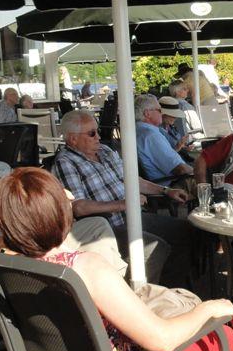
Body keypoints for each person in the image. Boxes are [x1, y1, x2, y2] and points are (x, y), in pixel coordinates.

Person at [0, 167, 233, 351]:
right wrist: (210, 307)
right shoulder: (86, 268)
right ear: (61, 213)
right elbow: (162, 341)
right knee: (216, 336)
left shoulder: (3, 267)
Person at [0, 116, 126, 276]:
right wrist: (6, 243)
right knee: (91, 255)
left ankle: (113, 291)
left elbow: (30, 192)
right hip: (6, 254)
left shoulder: (1, 169)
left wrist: (55, 195)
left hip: (35, 236)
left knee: (97, 225)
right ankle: (110, 300)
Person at [52, 110, 192, 287]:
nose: (98, 137)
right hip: (107, 229)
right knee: (155, 248)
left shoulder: (105, 151)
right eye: (92, 133)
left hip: (133, 216)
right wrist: (122, 205)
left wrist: (165, 190)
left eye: (98, 131)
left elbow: (132, 180)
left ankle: (170, 288)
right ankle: (142, 300)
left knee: (187, 231)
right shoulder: (66, 162)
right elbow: (78, 207)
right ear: (72, 139)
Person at [133, 94, 194, 189]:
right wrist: (198, 172)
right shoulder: (151, 136)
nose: (162, 113)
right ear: (147, 113)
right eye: (159, 110)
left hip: (161, 183)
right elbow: (181, 170)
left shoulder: (139, 130)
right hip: (171, 186)